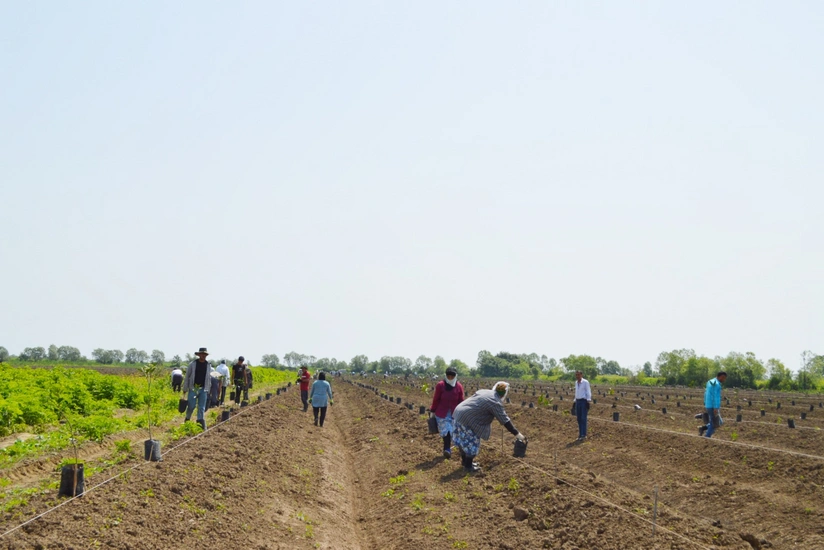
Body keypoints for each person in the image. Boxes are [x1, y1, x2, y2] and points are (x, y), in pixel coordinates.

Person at [452, 381, 525, 472]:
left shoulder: (484, 391)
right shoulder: (495, 402)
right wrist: (518, 434)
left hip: (458, 413)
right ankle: (468, 467)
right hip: (468, 419)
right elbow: (505, 421)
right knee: (472, 442)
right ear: (504, 394)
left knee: (463, 440)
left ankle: (465, 462)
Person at [429, 366, 465, 458]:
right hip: (442, 413)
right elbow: (436, 399)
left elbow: (461, 401)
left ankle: (457, 450)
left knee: (452, 432)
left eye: (452, 376)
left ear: (455, 376)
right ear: (446, 376)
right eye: (448, 376)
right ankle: (447, 449)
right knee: (446, 431)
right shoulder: (440, 385)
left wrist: (463, 412)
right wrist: (432, 411)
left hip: (454, 413)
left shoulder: (459, 387)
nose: (450, 378)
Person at [182, 348, 213, 430]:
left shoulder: (208, 365)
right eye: (202, 354)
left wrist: (209, 390)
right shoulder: (192, 364)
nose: (203, 356)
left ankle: (200, 422)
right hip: (193, 388)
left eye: (205, 354)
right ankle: (187, 419)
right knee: (191, 406)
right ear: (199, 355)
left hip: (204, 389)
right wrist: (185, 388)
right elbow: (187, 376)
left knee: (201, 407)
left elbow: (209, 378)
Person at [699, 371, 727, 438]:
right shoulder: (716, 384)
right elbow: (715, 396)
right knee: (714, 423)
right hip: (712, 406)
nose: (724, 380)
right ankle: (707, 437)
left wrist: (705, 402)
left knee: (719, 422)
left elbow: (705, 393)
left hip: (708, 405)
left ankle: (703, 428)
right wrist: (716, 407)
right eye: (723, 378)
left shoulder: (709, 382)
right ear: (720, 377)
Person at [574, 370, 593, 441]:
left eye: (578, 375)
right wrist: (574, 401)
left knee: (583, 418)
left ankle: (583, 435)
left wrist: (588, 401)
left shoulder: (585, 382)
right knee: (578, 418)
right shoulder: (576, 383)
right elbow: (576, 392)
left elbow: (588, 391)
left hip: (583, 401)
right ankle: (580, 434)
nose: (577, 376)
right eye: (576, 375)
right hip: (578, 401)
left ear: (581, 375)